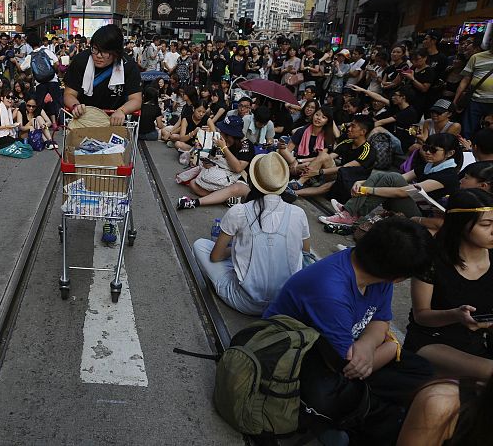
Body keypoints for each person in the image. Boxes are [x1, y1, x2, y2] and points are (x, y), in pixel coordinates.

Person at [266, 217, 435, 444]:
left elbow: (381, 320)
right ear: (399, 278)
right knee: (348, 403)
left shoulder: (376, 273)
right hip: (298, 355)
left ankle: (368, 409)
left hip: (347, 351)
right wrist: (390, 345)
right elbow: (348, 367)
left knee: (422, 370)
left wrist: (367, 344)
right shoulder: (331, 290)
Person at [192, 152, 310, 315]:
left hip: (244, 301)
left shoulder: (239, 211)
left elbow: (215, 257)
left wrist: (236, 250)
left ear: (253, 181)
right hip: (283, 304)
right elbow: (305, 253)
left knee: (200, 245)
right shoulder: (298, 213)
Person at [403, 189, 493, 381]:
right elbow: (421, 316)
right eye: (486, 224)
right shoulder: (432, 261)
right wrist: (455, 315)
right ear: (460, 225)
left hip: (477, 340)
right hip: (433, 341)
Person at [321, 132, 463, 225]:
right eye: (426, 147)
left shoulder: (448, 175)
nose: (427, 152)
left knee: (391, 177)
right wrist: (362, 182)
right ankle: (351, 210)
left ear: (450, 153)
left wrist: (366, 189)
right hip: (413, 205)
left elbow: (402, 191)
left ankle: (351, 212)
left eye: (433, 150)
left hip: (423, 218)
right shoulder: (429, 165)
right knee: (386, 175)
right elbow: (402, 177)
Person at [63, 25, 142, 127]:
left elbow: (136, 99)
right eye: (95, 49)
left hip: (114, 122)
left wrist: (122, 111)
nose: (98, 55)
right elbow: (69, 94)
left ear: (116, 52)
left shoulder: (128, 65)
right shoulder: (81, 61)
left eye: (105, 52)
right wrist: (75, 106)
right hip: (84, 121)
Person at [287, 114, 376, 200]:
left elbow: (345, 167)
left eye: (353, 126)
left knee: (327, 186)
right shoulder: (347, 142)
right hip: (339, 174)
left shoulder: (368, 150)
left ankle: (294, 193)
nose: (349, 129)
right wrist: (306, 164)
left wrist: (318, 172)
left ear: (363, 132)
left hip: (352, 182)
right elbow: (328, 157)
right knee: (323, 156)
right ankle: (298, 183)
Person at [178, 116, 255, 209]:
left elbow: (238, 168)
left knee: (237, 188)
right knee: (193, 184)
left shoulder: (246, 145)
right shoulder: (219, 141)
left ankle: (197, 202)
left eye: (223, 131)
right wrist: (209, 164)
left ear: (230, 134)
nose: (220, 132)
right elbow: (213, 158)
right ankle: (224, 198)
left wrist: (224, 148)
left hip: (237, 181)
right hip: (218, 177)